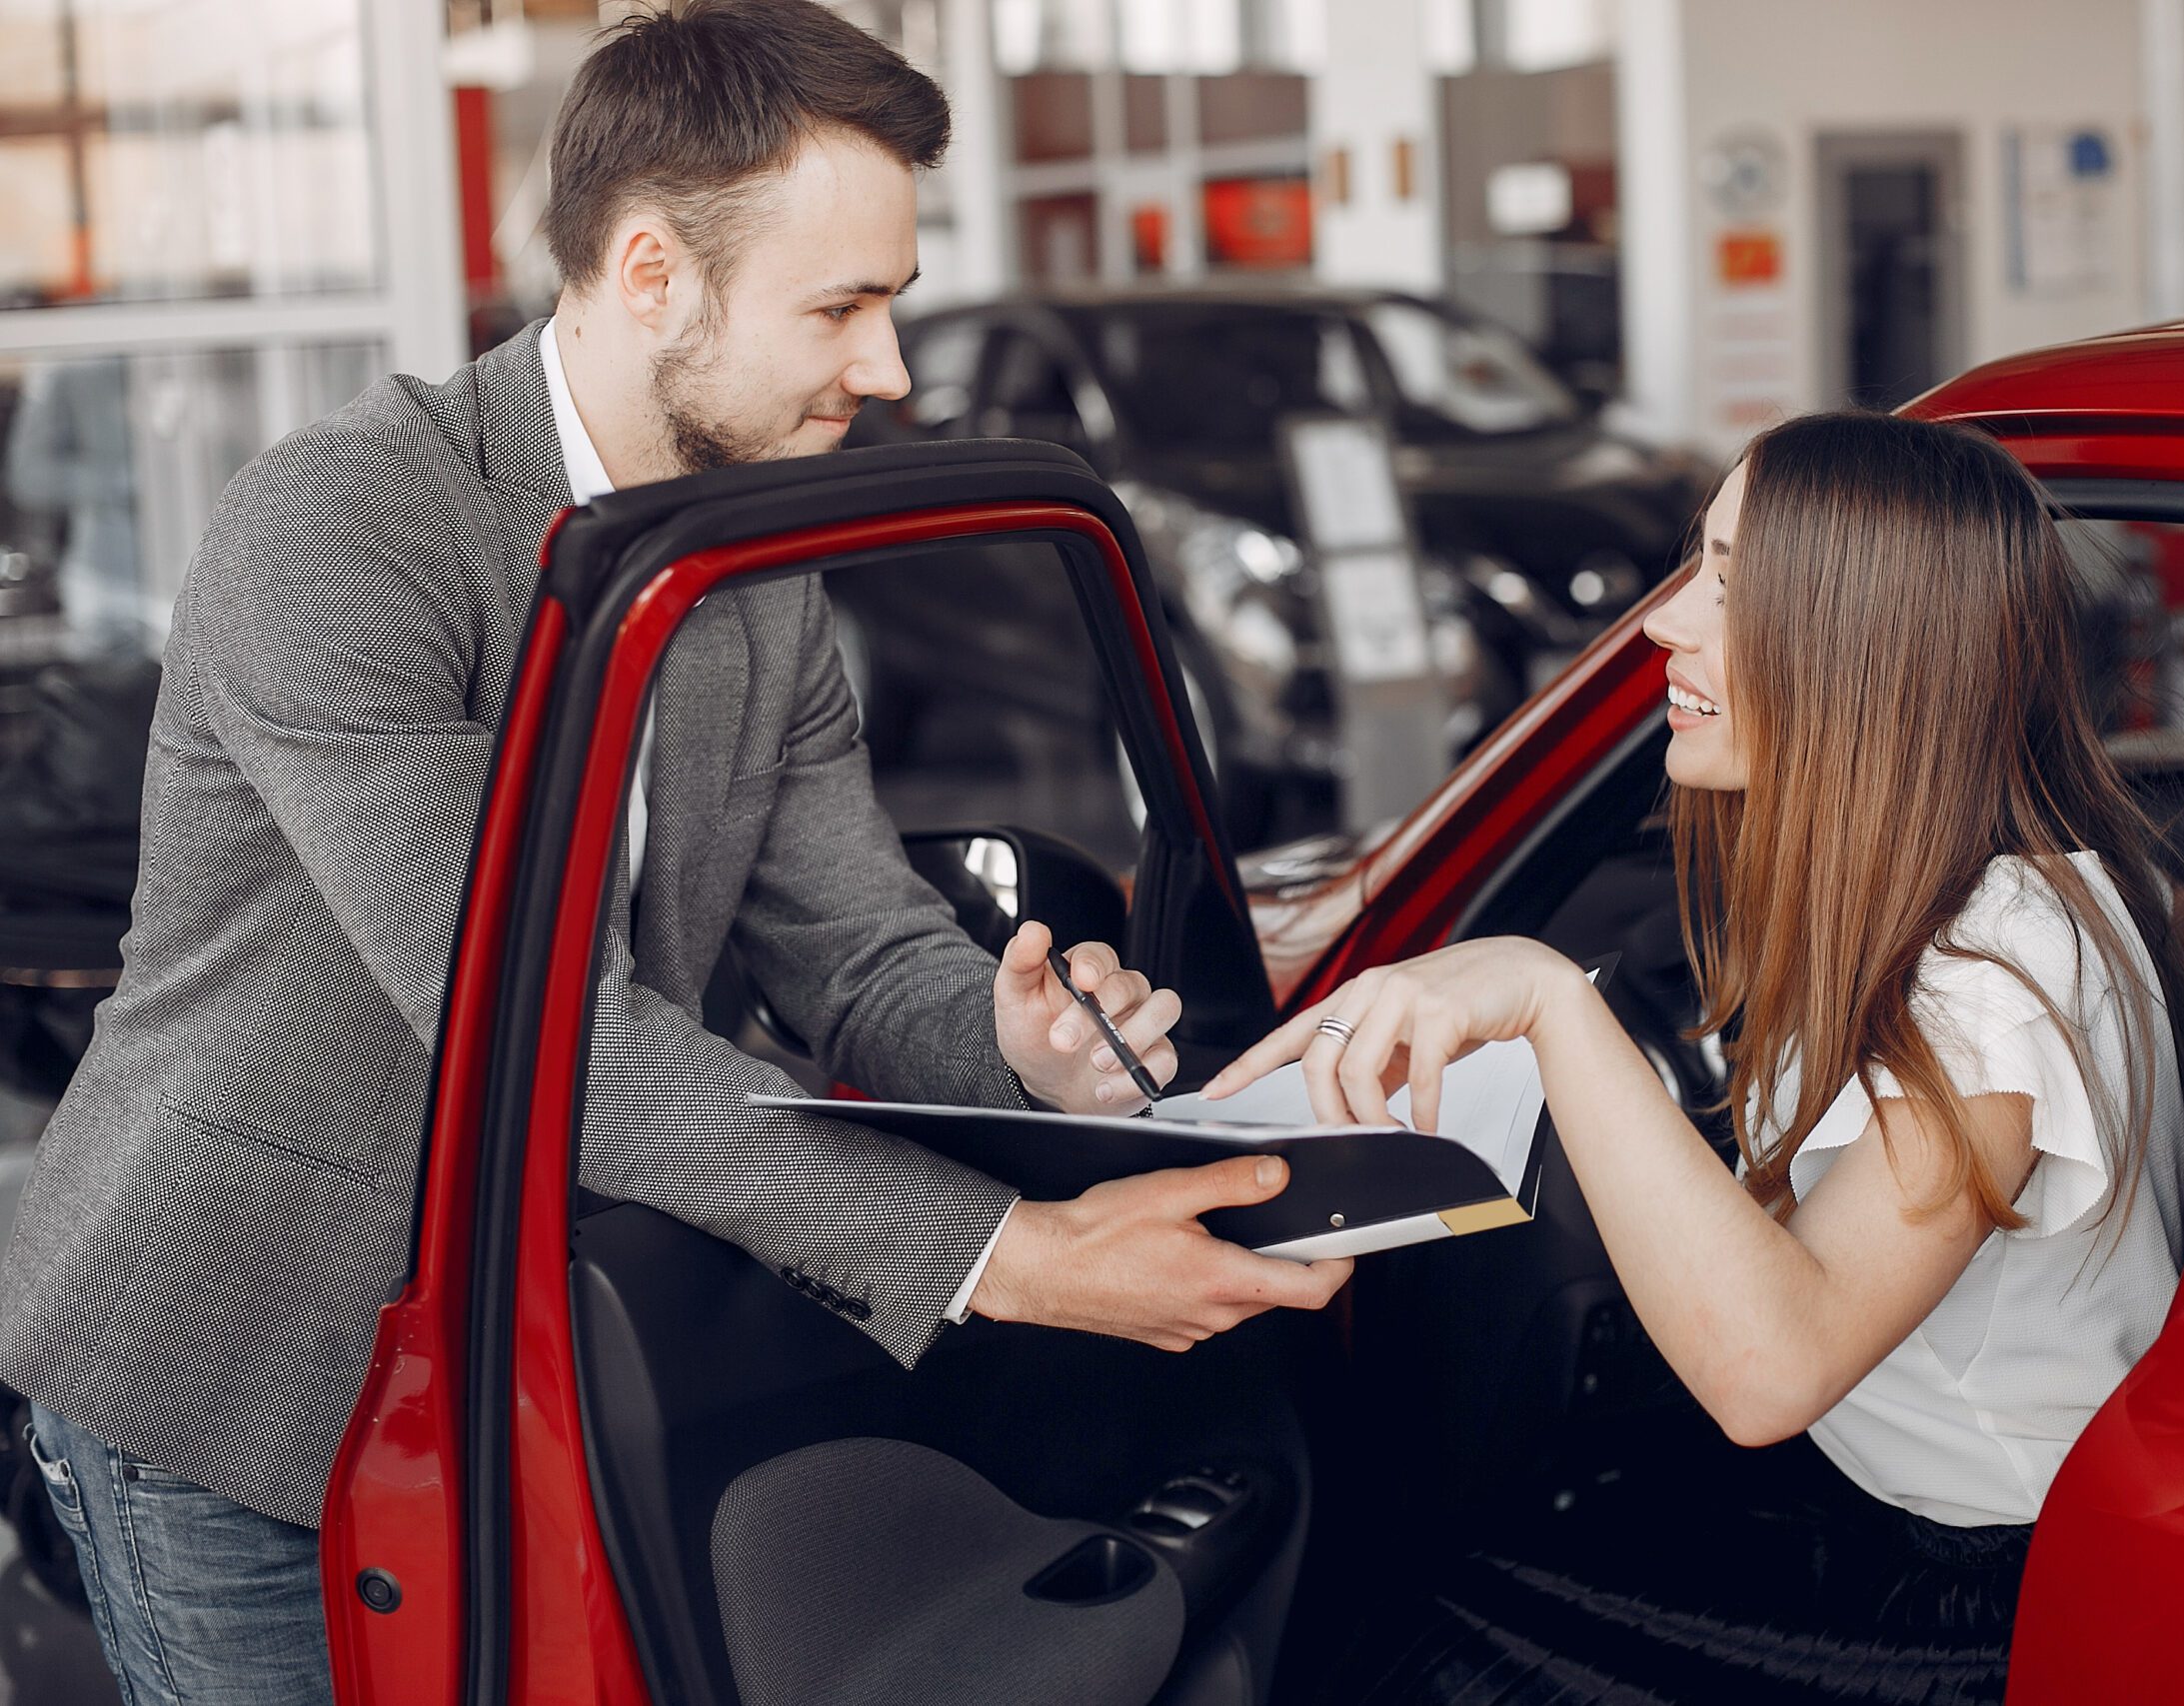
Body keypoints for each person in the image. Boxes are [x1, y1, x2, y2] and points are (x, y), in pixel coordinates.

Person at [0, 5, 1347, 1700]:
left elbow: (857, 952)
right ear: (652, 272)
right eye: (839, 310)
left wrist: (1019, 1042)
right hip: (238, 1369)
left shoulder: (749, 560)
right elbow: (543, 1039)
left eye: (891, 305)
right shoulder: (342, 528)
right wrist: (1025, 1266)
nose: (891, 371)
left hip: (524, 1340)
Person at [1206, 411, 2184, 1701]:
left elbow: (1769, 1373)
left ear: (1865, 647)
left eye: (1733, 584)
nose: (1663, 622)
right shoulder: (1945, 903)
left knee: (1422, 1640)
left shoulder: (1995, 977)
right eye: (1696, 560)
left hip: (1981, 1601)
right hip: (1891, 1507)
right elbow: (1793, 1226)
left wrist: (1544, 1000)